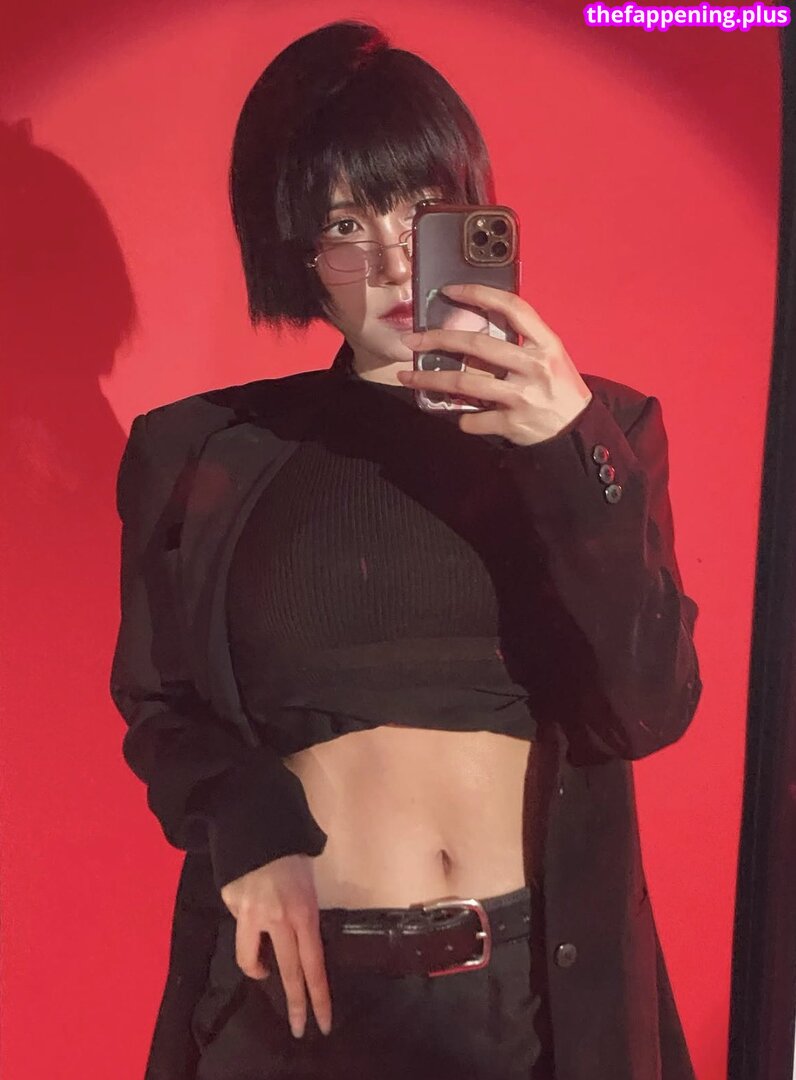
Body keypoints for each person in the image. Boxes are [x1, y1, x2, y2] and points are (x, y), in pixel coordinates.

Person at [109, 19, 702, 1080]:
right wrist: (244, 824)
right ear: (296, 251)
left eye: (420, 210)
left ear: (472, 217)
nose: (388, 259)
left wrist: (569, 448)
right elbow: (162, 708)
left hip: (530, 999)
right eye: (345, 222)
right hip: (297, 997)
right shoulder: (196, 449)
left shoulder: (602, 431)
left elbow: (647, 707)